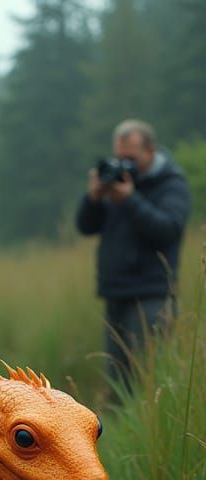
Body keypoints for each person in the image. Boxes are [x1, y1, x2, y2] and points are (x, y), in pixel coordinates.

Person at [75, 119, 191, 386]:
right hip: (115, 294)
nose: (123, 164)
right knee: (117, 383)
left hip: (153, 297)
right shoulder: (116, 185)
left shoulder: (171, 184)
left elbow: (167, 229)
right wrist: (93, 197)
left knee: (149, 381)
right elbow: (85, 226)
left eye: (131, 158)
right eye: (119, 157)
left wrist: (129, 200)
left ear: (150, 152)